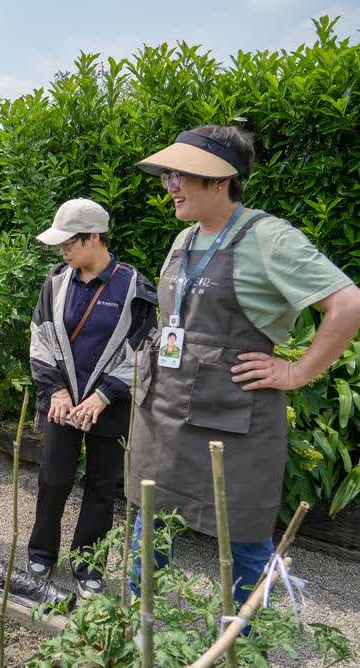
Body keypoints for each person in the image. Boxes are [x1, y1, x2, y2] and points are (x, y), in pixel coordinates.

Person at [129, 125, 360, 606]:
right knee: (150, 523)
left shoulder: (267, 238)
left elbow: (347, 304)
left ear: (219, 180)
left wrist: (296, 372)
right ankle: (139, 631)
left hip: (229, 423)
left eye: (180, 174)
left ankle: (239, 645)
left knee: (245, 539)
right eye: (167, 174)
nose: (168, 184)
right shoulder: (183, 239)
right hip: (164, 413)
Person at [27, 198, 157, 598]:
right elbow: (40, 336)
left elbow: (144, 347)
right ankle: (40, 554)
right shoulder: (56, 281)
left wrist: (104, 395)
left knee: (102, 486)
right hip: (61, 403)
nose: (62, 250)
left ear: (95, 236)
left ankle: (88, 566)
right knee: (52, 478)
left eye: (69, 242)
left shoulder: (135, 286)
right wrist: (57, 392)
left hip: (110, 406)